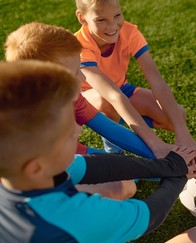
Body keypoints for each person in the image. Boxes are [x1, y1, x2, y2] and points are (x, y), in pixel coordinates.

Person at [0, 60, 196, 243]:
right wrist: (178, 175)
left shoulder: (21, 173)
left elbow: (100, 167)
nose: (77, 137)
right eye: (69, 137)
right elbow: (151, 214)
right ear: (36, 167)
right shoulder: (74, 217)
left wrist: (168, 165)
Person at [3, 22, 155, 199]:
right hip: (37, 183)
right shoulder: (13, 121)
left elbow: (110, 129)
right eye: (75, 72)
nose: (83, 78)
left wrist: (166, 158)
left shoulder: (71, 98)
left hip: (71, 154)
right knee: (119, 188)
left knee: (130, 174)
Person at [74, 0, 196, 162]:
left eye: (117, 15)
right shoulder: (79, 47)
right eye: (101, 20)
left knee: (178, 116)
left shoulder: (129, 32)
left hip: (122, 89)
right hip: (86, 99)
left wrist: (184, 135)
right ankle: (114, 150)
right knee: (105, 100)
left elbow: (157, 81)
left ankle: (126, 125)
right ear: (82, 17)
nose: (113, 25)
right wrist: (156, 145)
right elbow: (113, 95)